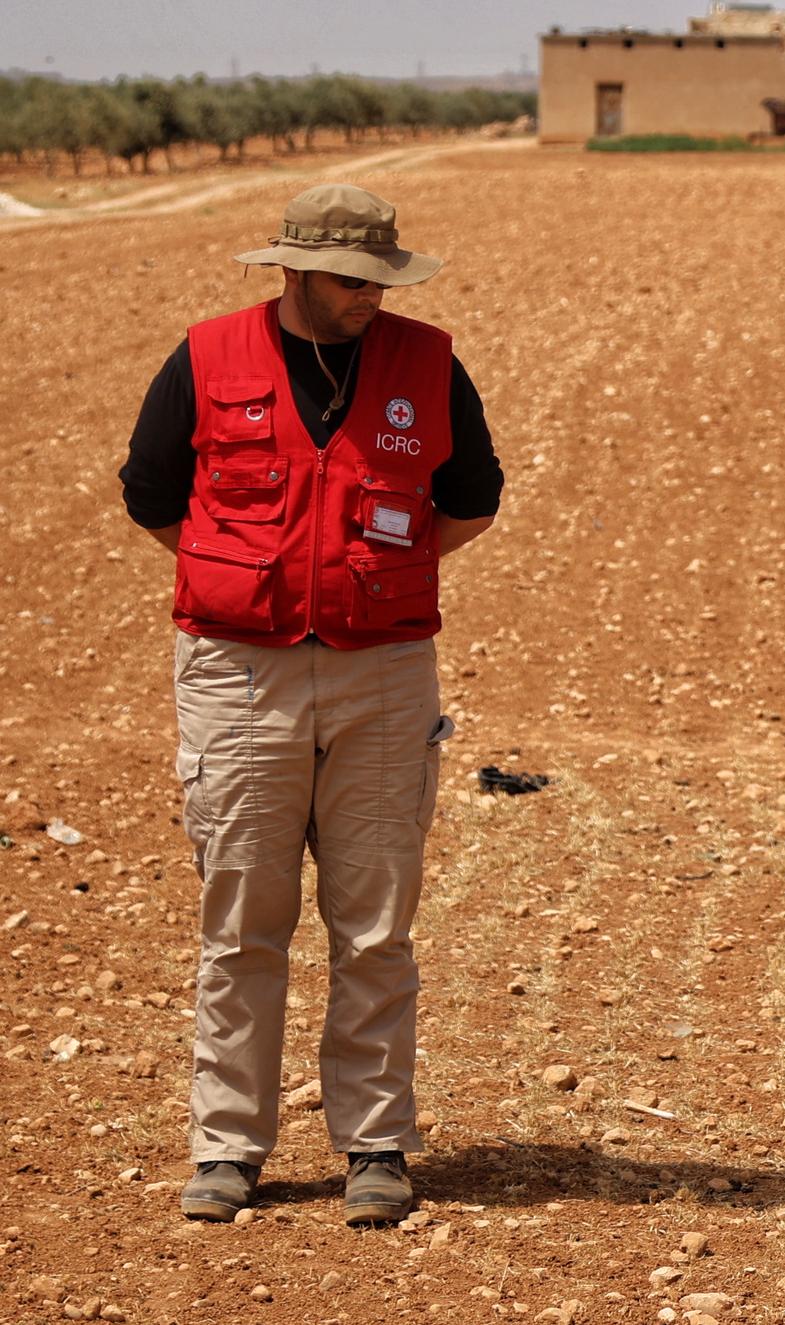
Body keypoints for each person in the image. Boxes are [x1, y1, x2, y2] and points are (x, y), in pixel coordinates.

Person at [118, 184, 504, 1227]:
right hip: (240, 676)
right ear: (290, 270)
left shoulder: (427, 362)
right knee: (242, 919)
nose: (371, 297)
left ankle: (376, 1143)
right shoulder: (205, 358)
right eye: (350, 280)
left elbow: (474, 497)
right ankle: (228, 1147)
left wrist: (365, 578)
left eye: (383, 278)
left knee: (375, 921)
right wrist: (250, 580)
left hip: (384, 674)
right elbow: (152, 497)